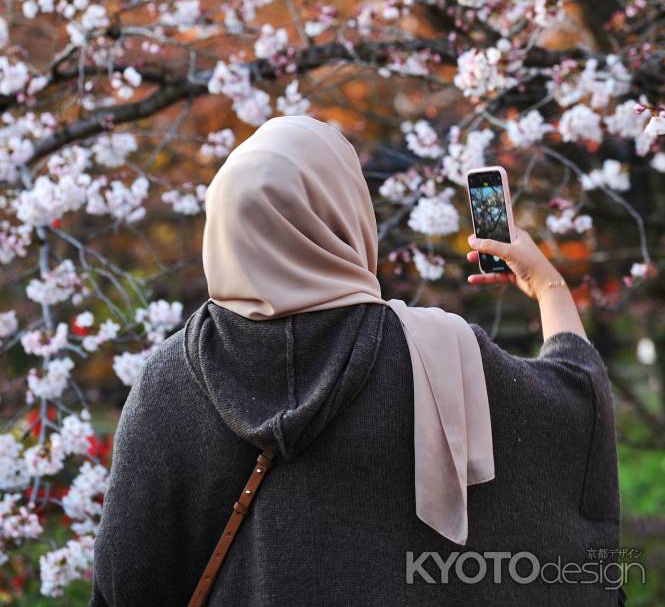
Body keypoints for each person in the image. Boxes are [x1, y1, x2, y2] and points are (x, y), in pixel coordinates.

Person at [89, 116, 624, 607]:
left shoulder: (172, 380)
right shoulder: (438, 353)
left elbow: (124, 580)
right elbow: (575, 405)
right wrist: (548, 286)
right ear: (346, 210)